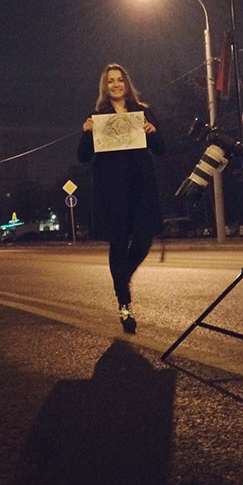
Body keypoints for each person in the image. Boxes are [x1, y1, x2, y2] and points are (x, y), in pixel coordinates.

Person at [78, 63, 165, 333]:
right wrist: (86, 133)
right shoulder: (97, 116)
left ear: (126, 84)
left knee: (143, 240)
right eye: (110, 81)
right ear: (105, 87)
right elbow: (83, 157)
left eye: (119, 80)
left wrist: (153, 132)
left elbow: (161, 150)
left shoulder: (142, 113)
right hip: (111, 192)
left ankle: (121, 278)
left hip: (141, 190)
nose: (115, 84)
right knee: (117, 245)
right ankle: (124, 306)